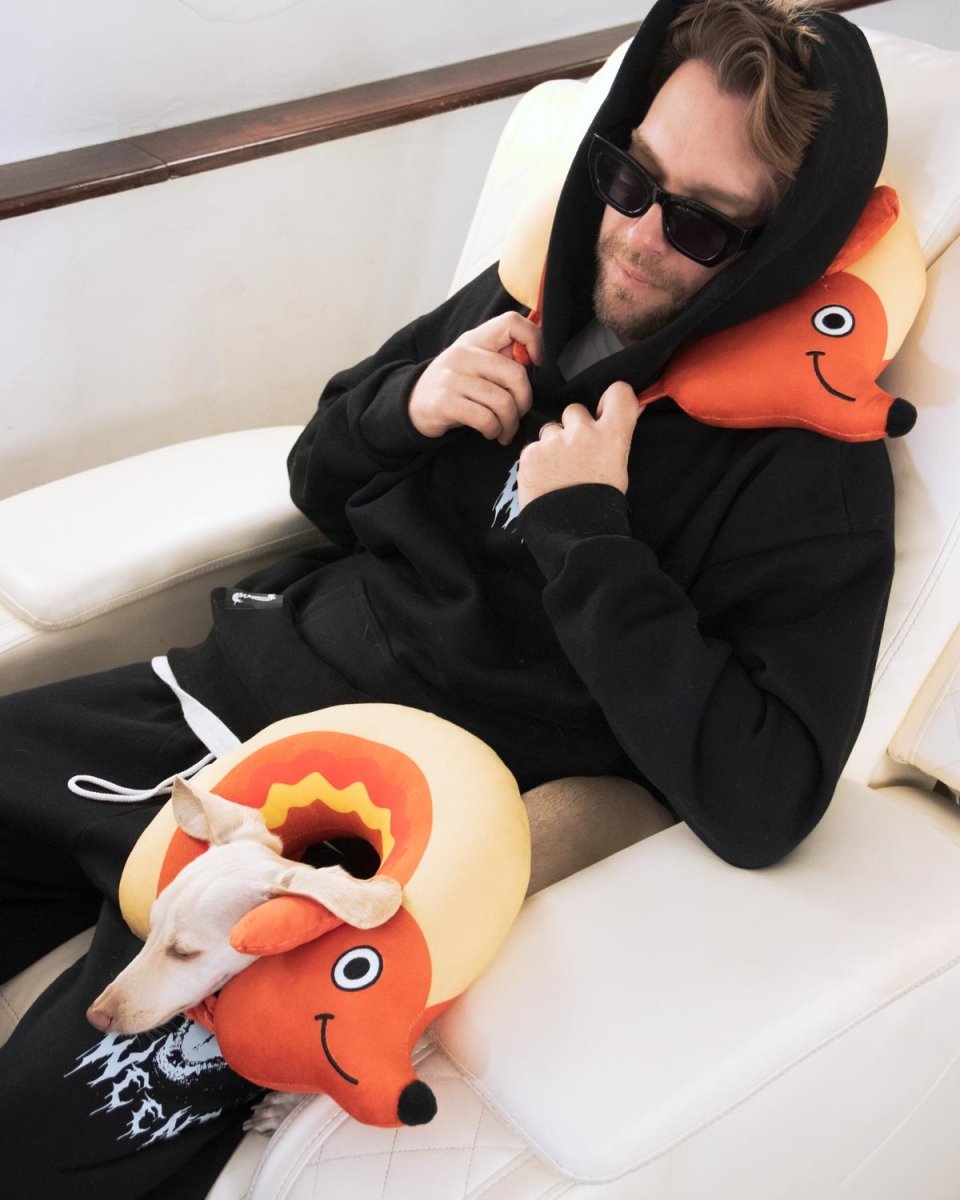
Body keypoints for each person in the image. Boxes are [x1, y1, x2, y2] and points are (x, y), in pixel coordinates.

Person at [0, 0, 894, 1195]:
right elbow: (317, 478)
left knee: (36, 1135)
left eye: (699, 224)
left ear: (782, 247)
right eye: (631, 178)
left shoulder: (808, 471)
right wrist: (405, 405)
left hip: (350, 845)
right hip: (214, 702)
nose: (635, 236)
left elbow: (767, 796)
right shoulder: (530, 291)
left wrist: (588, 536)